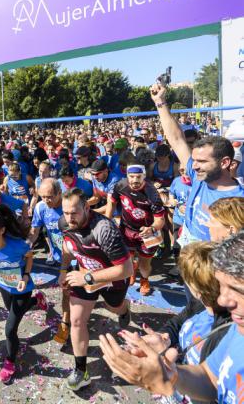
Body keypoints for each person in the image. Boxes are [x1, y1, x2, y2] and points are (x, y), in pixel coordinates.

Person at [98, 231, 244, 404]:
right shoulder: (238, 330)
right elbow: (210, 379)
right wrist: (169, 373)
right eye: (222, 286)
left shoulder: (226, 328)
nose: (222, 299)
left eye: (237, 290)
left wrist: (169, 383)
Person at [151, 83, 244, 247]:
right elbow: (177, 140)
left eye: (202, 161)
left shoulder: (239, 198)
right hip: (188, 246)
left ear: (225, 163)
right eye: (194, 161)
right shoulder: (198, 176)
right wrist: (160, 102)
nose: (193, 166)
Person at [59, 188, 133, 390]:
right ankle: (81, 370)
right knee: (76, 320)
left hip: (112, 279)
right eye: (65, 212)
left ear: (86, 207)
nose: (69, 218)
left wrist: (88, 277)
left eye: (74, 212)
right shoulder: (64, 223)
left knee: (114, 308)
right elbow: (68, 247)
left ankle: (124, 308)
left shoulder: (103, 229)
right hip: (83, 277)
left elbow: (126, 269)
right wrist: (64, 270)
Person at [0, 204, 47, 384]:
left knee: (10, 329)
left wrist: (26, 276)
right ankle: (37, 300)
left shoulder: (17, 246)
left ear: (2, 230)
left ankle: (10, 363)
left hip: (23, 289)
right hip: (5, 288)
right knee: (13, 311)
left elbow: (29, 257)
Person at [105, 164, 166, 296]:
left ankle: (144, 279)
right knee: (128, 258)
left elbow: (161, 220)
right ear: (127, 176)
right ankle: (131, 271)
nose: (135, 180)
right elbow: (112, 201)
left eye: (138, 177)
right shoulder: (120, 185)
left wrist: (152, 228)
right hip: (126, 229)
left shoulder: (152, 193)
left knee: (145, 265)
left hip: (148, 233)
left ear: (144, 176)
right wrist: (107, 220)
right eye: (131, 176)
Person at [28, 179, 69, 343]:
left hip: (79, 255)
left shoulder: (70, 205)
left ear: (60, 193)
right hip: (61, 257)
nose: (46, 200)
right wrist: (26, 245)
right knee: (67, 290)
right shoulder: (40, 207)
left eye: (50, 197)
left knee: (80, 292)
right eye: (43, 196)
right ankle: (66, 324)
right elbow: (34, 231)